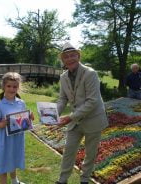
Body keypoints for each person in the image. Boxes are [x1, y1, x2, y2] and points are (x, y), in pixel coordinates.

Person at [54, 42, 108, 184]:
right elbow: (62, 98)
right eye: (66, 57)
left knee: (90, 154)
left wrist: (70, 117)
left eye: (73, 55)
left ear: (78, 56)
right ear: (63, 60)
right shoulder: (63, 77)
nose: (70, 59)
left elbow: (92, 101)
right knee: (68, 151)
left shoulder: (90, 73)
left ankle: (84, 180)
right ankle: (62, 180)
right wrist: (53, 114)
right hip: (76, 121)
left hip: (93, 119)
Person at [0, 72, 34, 184]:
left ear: (18, 87)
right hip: (4, 140)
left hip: (17, 138)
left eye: (15, 86)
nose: (12, 89)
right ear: (3, 87)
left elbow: (22, 120)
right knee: (4, 162)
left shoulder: (21, 103)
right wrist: (3, 124)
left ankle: (15, 181)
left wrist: (29, 117)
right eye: (9, 86)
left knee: (13, 158)